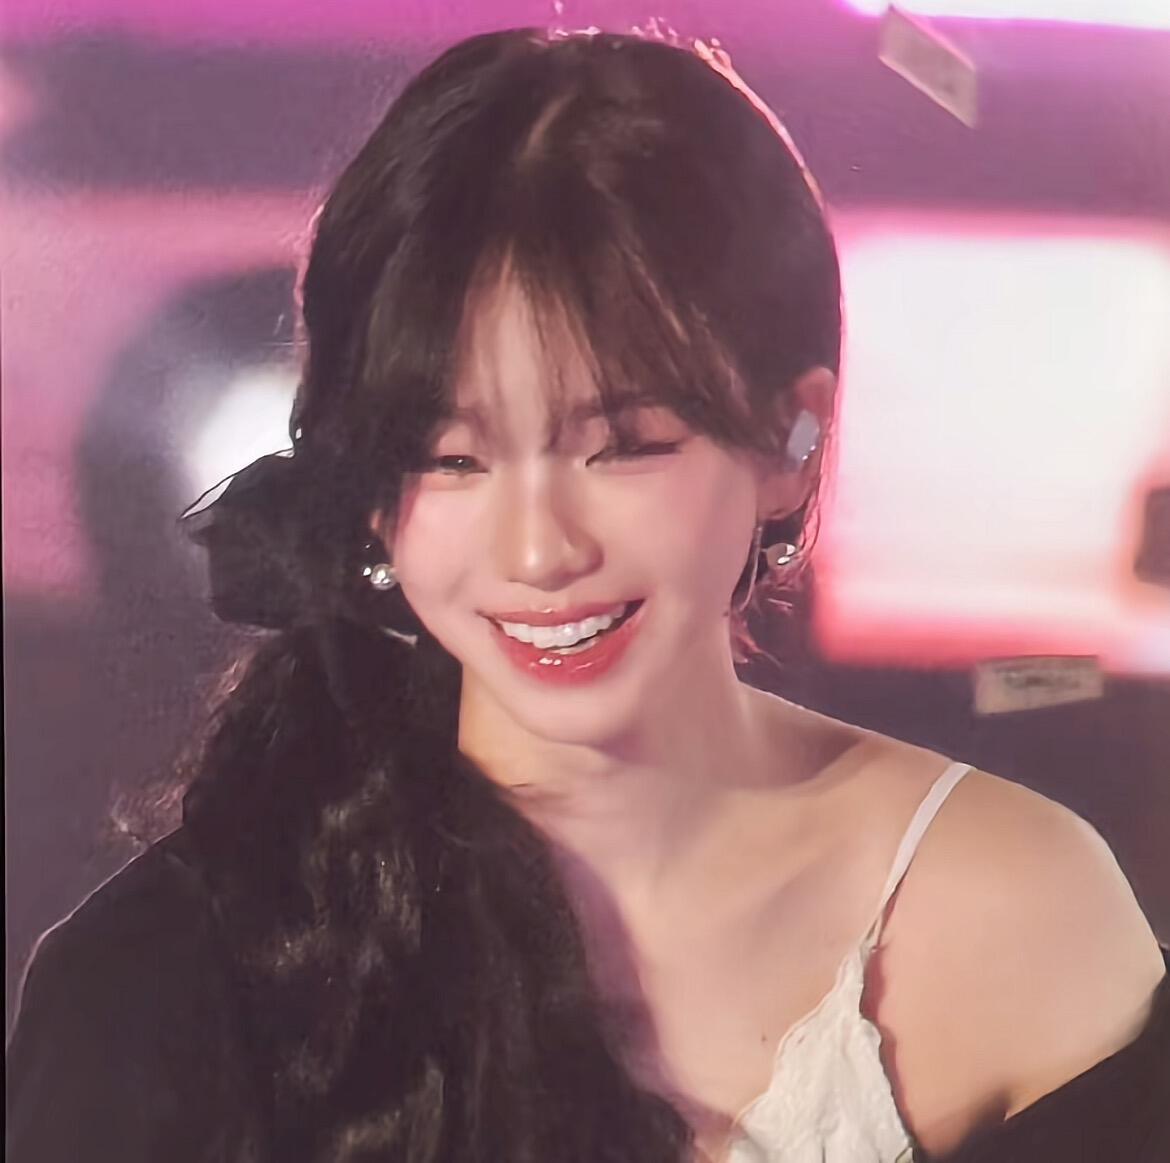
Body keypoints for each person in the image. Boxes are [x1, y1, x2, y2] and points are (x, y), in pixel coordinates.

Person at [7, 26, 1168, 1163]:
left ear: (792, 438)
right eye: (452, 458)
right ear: (368, 489)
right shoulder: (167, 983)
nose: (538, 549)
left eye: (621, 446)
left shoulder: (1017, 913)